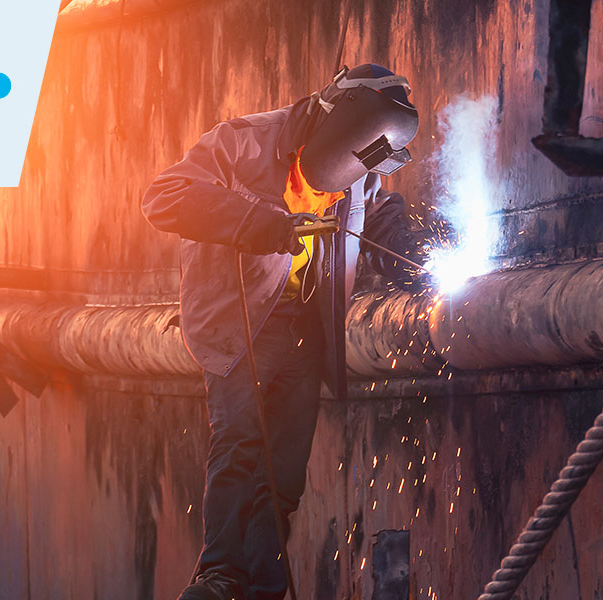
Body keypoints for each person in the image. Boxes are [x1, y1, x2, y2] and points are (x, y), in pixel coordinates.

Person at [141, 64, 423, 600]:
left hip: (307, 325)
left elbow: (378, 214)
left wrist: (419, 259)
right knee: (241, 445)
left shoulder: (360, 163)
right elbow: (165, 194)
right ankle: (220, 574)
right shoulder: (245, 142)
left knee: (284, 473)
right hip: (244, 318)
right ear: (336, 123)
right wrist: (258, 222)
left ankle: (264, 585)